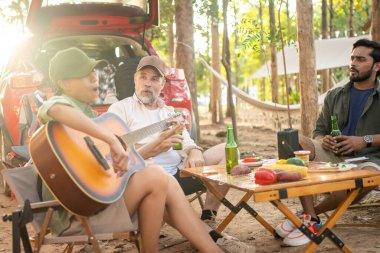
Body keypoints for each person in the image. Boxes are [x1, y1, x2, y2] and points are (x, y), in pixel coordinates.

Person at [38, 47, 225, 253]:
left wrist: (165, 142)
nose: (94, 77)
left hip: (101, 199)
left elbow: (106, 165)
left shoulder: (89, 114)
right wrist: (111, 139)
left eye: (94, 72)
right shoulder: (65, 109)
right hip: (81, 213)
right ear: (64, 83)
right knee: (156, 176)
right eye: (85, 74)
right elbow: (55, 108)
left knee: (161, 180)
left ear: (162, 84)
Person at [108, 55, 254, 252]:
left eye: (154, 79)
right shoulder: (120, 109)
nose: (147, 83)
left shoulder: (170, 112)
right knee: (161, 180)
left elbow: (187, 141)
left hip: (180, 172)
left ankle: (208, 215)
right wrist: (156, 145)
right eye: (143, 77)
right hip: (148, 179)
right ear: (135, 79)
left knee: (227, 150)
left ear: (162, 84)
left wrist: (194, 151)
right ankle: (212, 238)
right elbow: (116, 150)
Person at [275, 38, 380, 247]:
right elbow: (318, 133)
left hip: (371, 159)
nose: (353, 63)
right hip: (334, 155)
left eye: (360, 59)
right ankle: (311, 218)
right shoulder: (335, 95)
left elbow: (366, 143)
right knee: (291, 139)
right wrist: (325, 141)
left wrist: (364, 141)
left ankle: (304, 217)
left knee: (366, 179)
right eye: (352, 58)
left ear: (377, 66)